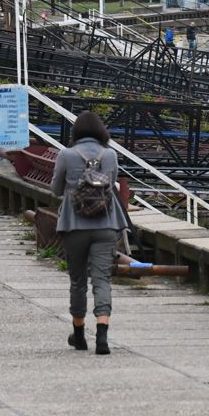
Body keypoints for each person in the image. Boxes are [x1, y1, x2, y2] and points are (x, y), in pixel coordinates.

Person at [48, 111, 129, 355]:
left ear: (77, 132)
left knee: (78, 281)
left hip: (74, 226)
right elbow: (110, 185)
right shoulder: (110, 155)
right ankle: (102, 336)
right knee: (102, 280)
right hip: (106, 224)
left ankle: (80, 335)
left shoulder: (66, 154)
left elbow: (56, 189)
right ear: (101, 131)